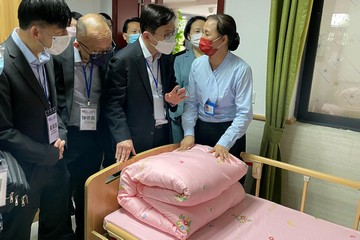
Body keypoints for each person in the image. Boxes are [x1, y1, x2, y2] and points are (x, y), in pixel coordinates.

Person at [0, 0, 75, 239]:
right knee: (17, 232)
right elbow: (3, 131)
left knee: (56, 228)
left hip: (56, 161)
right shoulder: (3, 64)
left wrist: (60, 137)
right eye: (60, 32)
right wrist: (46, 154)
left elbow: (53, 107)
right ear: (35, 31)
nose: (66, 37)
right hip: (23, 171)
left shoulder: (45, 55)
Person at [53, 13, 114, 240]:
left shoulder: (107, 56)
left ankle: (82, 234)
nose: (104, 56)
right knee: (60, 193)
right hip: (67, 134)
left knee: (85, 189)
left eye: (108, 49)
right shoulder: (58, 58)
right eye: (98, 52)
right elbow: (54, 102)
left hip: (93, 135)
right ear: (78, 44)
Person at [104, 4, 187, 164]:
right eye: (166, 34)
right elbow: (113, 105)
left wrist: (172, 100)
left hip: (163, 134)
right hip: (134, 139)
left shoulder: (166, 57)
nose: (172, 38)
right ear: (148, 36)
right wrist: (123, 137)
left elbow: (171, 89)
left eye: (173, 32)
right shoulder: (123, 60)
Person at [179, 14, 253, 165]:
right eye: (201, 33)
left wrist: (225, 142)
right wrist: (188, 133)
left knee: (229, 181)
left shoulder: (241, 69)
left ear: (223, 40)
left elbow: (244, 114)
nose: (201, 38)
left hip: (229, 131)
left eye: (207, 34)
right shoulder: (198, 65)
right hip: (202, 128)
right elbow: (191, 103)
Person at [170, 16, 206, 143]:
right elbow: (176, 86)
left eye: (205, 31)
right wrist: (176, 112)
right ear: (189, 36)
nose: (201, 34)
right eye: (197, 31)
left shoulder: (214, 59)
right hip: (181, 114)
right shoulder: (179, 59)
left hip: (206, 116)